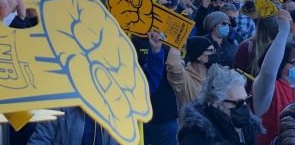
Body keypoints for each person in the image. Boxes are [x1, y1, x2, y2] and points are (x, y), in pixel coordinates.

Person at [26, 30, 165, 145]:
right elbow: (41, 139)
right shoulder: (62, 100)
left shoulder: (124, 98)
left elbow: (146, 84)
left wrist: (156, 50)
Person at [178, 64, 265, 145]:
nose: (245, 107)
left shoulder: (248, 126)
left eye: (246, 100)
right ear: (217, 105)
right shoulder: (195, 138)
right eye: (239, 103)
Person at [252, 9, 295, 145]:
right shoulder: (265, 88)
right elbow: (268, 72)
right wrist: (283, 31)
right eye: (293, 62)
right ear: (279, 65)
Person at [166, 36, 215, 126]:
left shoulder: (215, 78)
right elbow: (173, 65)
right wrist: (176, 41)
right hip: (192, 134)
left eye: (214, 51)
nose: (214, 54)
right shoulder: (185, 78)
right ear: (199, 56)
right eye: (210, 51)